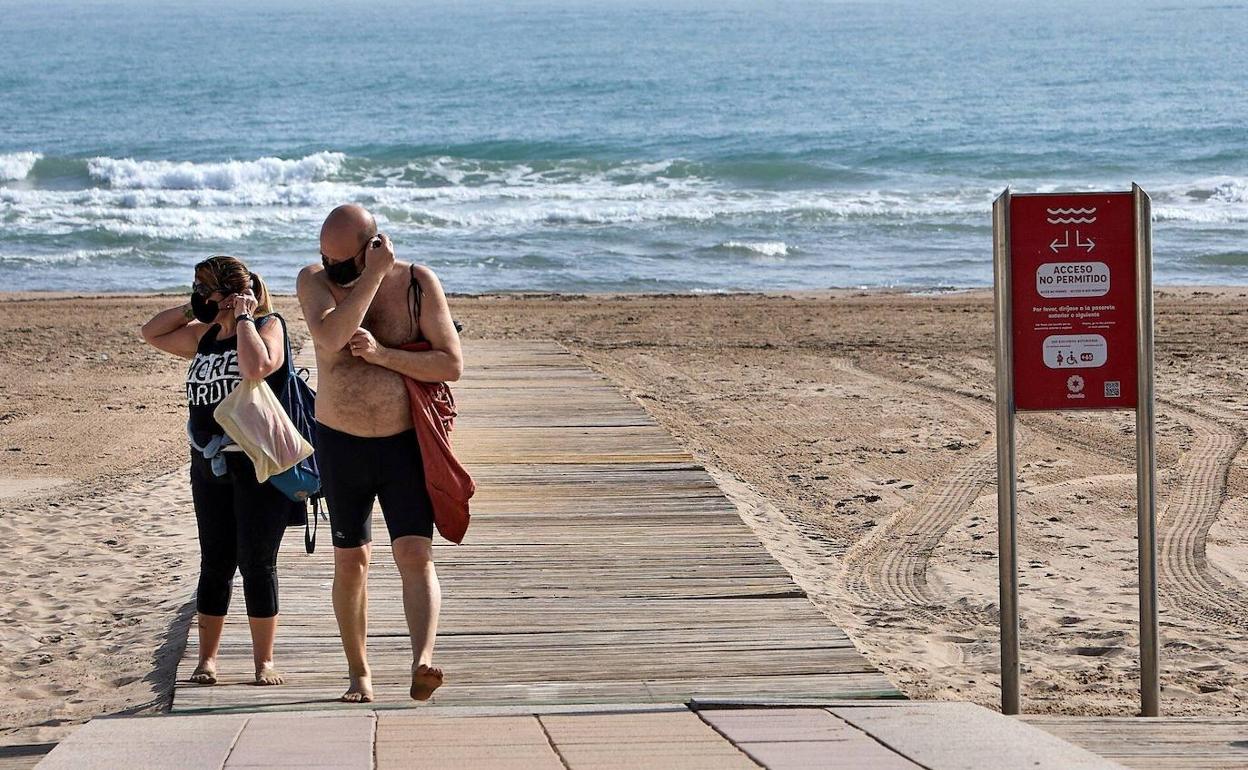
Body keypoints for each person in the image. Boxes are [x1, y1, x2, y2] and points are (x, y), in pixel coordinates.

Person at [297, 204, 463, 703]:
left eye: (344, 264)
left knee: (414, 552)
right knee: (352, 560)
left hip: (404, 442)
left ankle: (422, 660)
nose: (334, 272)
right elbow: (330, 336)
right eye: (328, 259)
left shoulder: (415, 282)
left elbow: (450, 364)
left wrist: (384, 356)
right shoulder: (315, 282)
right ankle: (359, 674)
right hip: (341, 441)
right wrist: (365, 278)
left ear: (375, 246)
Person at [140, 255, 291, 686]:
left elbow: (257, 367)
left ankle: (264, 662)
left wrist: (244, 317)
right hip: (208, 463)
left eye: (202, 288)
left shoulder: (268, 327)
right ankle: (207, 660)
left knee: (257, 562)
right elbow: (151, 333)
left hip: (256, 463)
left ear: (228, 292)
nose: (197, 295)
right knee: (215, 561)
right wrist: (195, 309)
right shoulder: (203, 336)